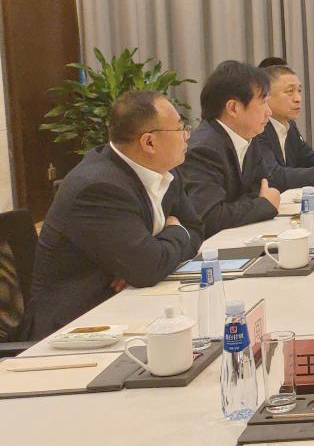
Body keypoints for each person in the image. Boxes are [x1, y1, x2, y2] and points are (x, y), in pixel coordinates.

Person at [27, 91, 204, 338]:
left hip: (130, 304)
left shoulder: (166, 170)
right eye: (180, 128)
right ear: (149, 142)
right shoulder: (98, 188)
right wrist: (173, 232)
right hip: (77, 327)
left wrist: (148, 255)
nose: (187, 135)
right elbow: (149, 267)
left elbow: (195, 229)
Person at [178, 60, 282, 237]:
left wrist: (241, 206)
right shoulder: (203, 149)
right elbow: (209, 217)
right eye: (263, 102)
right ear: (233, 108)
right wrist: (263, 205)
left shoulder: (248, 136)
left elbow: (264, 186)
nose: (269, 112)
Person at [254, 63, 314, 189]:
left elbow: (307, 157)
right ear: (266, 96)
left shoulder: (289, 125)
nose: (298, 98)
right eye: (290, 91)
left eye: (299, 91)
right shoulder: (257, 129)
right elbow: (276, 176)